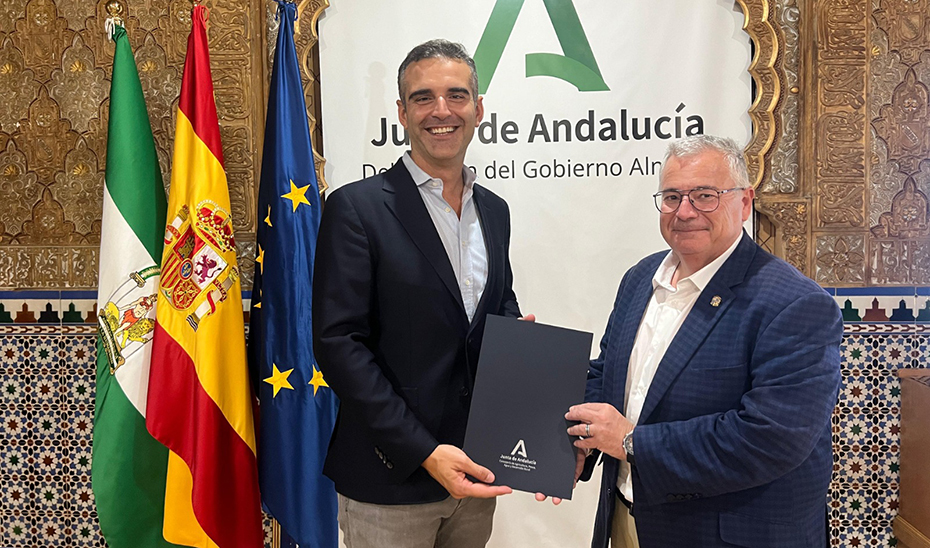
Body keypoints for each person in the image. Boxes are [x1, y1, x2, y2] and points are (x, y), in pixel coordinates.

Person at [565, 135, 842, 547]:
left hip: (728, 535)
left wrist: (629, 441)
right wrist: (572, 440)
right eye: (672, 196)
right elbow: (609, 376)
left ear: (745, 202)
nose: (685, 211)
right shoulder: (640, 279)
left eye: (705, 195)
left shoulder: (796, 304)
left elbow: (769, 439)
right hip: (628, 520)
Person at [313, 39, 527, 548]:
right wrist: (426, 451)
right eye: (423, 97)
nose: (441, 111)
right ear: (402, 113)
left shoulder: (494, 210)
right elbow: (338, 344)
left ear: (478, 110)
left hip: (476, 470)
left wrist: (517, 340)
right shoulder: (356, 209)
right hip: (390, 478)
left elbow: (497, 306)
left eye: (456, 95)